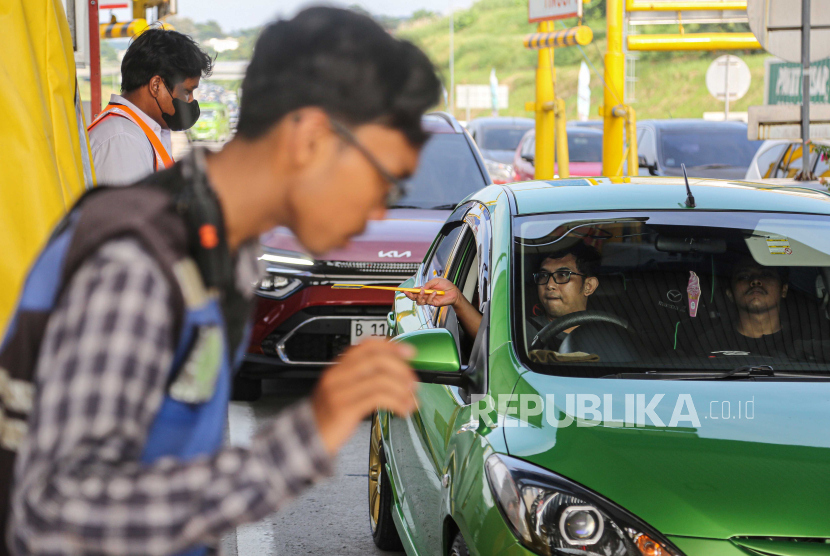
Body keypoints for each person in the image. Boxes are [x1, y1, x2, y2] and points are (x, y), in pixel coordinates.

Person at [1, 8, 441, 556]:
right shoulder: (141, 260)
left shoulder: (221, 247)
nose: (380, 212)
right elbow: (56, 514)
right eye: (385, 180)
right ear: (309, 138)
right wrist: (304, 438)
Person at [407, 243, 600, 350]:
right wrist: (457, 299)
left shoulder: (615, 334)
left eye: (562, 275)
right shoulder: (521, 333)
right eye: (543, 276)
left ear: (588, 286)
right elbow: (491, 340)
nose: (549, 285)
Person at [88, 27, 211, 186]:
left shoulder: (140, 131)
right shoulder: (123, 140)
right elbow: (130, 209)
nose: (191, 101)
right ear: (156, 86)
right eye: (186, 93)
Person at [702, 256, 794, 358]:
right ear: (730, 294)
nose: (755, 281)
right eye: (743, 277)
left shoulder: (803, 339)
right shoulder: (711, 342)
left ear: (784, 290)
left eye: (766, 275)